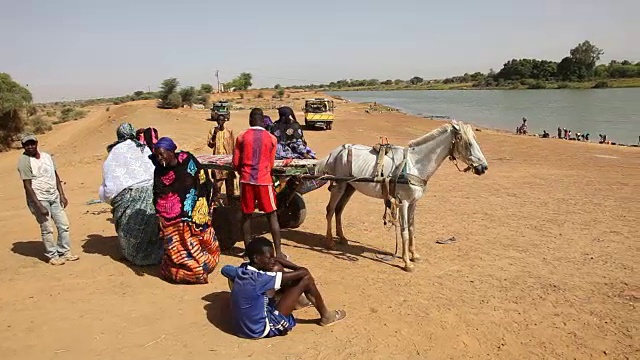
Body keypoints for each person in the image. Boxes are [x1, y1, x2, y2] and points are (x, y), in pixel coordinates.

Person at [229, 237, 346, 339]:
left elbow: (225, 269)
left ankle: (299, 301)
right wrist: (290, 264)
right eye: (269, 257)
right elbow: (303, 272)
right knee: (306, 279)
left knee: (276, 268)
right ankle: (326, 316)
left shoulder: (242, 270)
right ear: (256, 258)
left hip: (241, 328)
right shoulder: (261, 279)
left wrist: (274, 261)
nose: (272, 260)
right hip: (259, 329)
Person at [152, 137, 221, 284]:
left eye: (162, 154)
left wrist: (203, 204)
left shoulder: (188, 161)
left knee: (204, 244)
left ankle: (199, 264)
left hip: (194, 213)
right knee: (178, 253)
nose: (159, 158)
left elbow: (203, 180)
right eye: (157, 155)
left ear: (172, 152)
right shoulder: (159, 170)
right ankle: (185, 269)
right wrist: (160, 216)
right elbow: (157, 193)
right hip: (171, 218)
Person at [99, 123, 162, 266]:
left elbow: (111, 181)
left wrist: (111, 196)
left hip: (128, 197)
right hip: (150, 193)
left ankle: (135, 255)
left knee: (130, 228)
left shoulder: (116, 152)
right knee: (150, 225)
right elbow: (152, 170)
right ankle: (155, 252)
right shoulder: (143, 148)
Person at [17, 133, 79, 265]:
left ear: (37, 143)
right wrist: (38, 205)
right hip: (39, 199)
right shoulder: (24, 162)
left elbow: (55, 175)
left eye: (32, 143)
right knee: (47, 228)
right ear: (23, 146)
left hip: (54, 196)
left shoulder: (47, 157)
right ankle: (52, 255)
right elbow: (27, 186)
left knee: (64, 225)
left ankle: (64, 251)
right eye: (27, 145)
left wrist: (61, 194)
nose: (30, 147)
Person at [233, 108, 285, 259]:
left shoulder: (241, 136)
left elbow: (236, 162)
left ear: (250, 120)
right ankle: (279, 253)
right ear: (263, 121)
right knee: (272, 215)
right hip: (264, 181)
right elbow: (271, 164)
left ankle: (248, 253)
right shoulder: (271, 138)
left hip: (246, 180)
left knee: (246, 216)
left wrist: (242, 172)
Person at [207, 114, 236, 203]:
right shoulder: (212, 131)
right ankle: (214, 203)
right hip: (217, 161)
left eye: (222, 120)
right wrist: (215, 134)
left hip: (228, 161)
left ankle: (231, 203)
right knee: (217, 184)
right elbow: (210, 145)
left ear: (224, 121)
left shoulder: (229, 131)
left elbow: (233, 146)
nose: (220, 122)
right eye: (218, 120)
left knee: (229, 184)